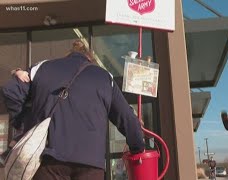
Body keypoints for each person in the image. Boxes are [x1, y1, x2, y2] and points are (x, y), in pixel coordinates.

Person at [2, 40, 145, 179]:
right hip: (91, 163)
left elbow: (10, 91)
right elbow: (126, 119)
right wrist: (138, 148)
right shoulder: (104, 77)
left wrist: (25, 123)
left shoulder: (42, 68)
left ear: (68, 55)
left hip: (49, 160)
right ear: (90, 59)